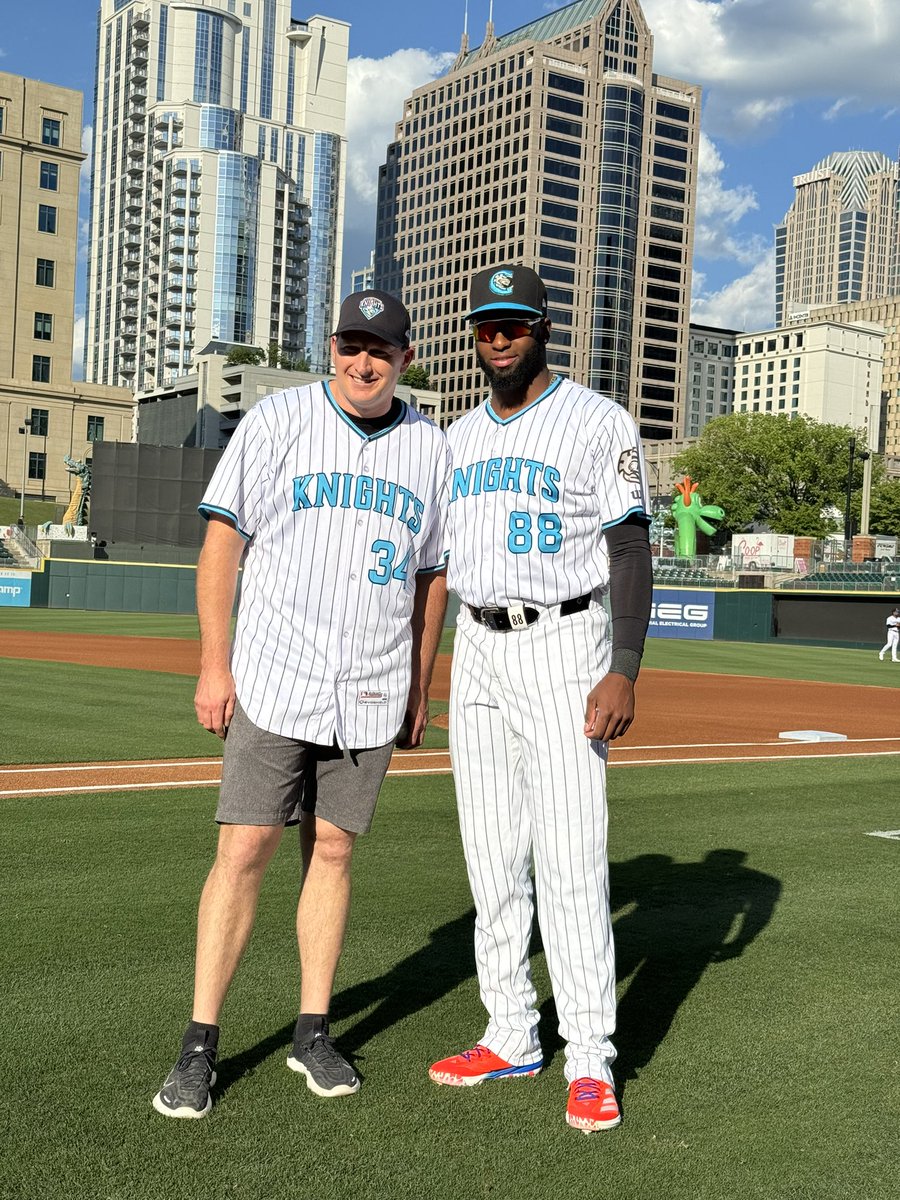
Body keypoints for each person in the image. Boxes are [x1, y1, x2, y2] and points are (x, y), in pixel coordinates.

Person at [153, 290, 450, 1118]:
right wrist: (215, 666)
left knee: (332, 851)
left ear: (405, 357)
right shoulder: (279, 420)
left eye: (381, 349)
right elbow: (223, 541)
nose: (365, 361)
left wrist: (421, 683)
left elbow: (433, 576)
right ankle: (199, 1043)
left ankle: (312, 1032)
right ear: (333, 346)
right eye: (352, 345)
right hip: (277, 676)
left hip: (372, 685)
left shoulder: (431, 446)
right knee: (243, 850)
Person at [429, 265, 653, 1134]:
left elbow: (630, 549)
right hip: (477, 648)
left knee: (569, 861)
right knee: (491, 859)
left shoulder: (597, 420)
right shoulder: (457, 437)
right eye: (487, 325)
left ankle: (592, 1054)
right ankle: (511, 1030)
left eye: (514, 323)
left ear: (541, 328)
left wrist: (624, 664)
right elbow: (438, 570)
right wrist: (423, 680)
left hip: (565, 642)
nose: (499, 337)